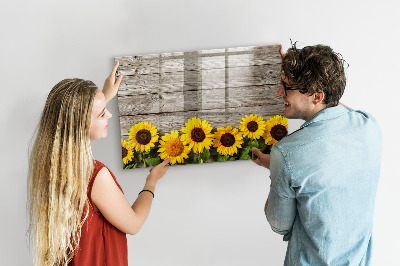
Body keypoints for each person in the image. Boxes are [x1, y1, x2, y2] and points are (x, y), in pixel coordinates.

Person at [27, 62, 171, 266]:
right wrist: (152, 181)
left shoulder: (50, 165)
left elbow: (76, 118)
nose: (109, 115)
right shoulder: (95, 176)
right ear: (81, 124)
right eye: (102, 113)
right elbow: (134, 224)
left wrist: (104, 96)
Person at [251, 44, 382, 265]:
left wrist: (278, 169)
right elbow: (335, 108)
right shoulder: (369, 125)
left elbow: (279, 225)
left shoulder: (286, 153)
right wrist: (298, 74)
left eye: (287, 87)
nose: (279, 92)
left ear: (317, 95)